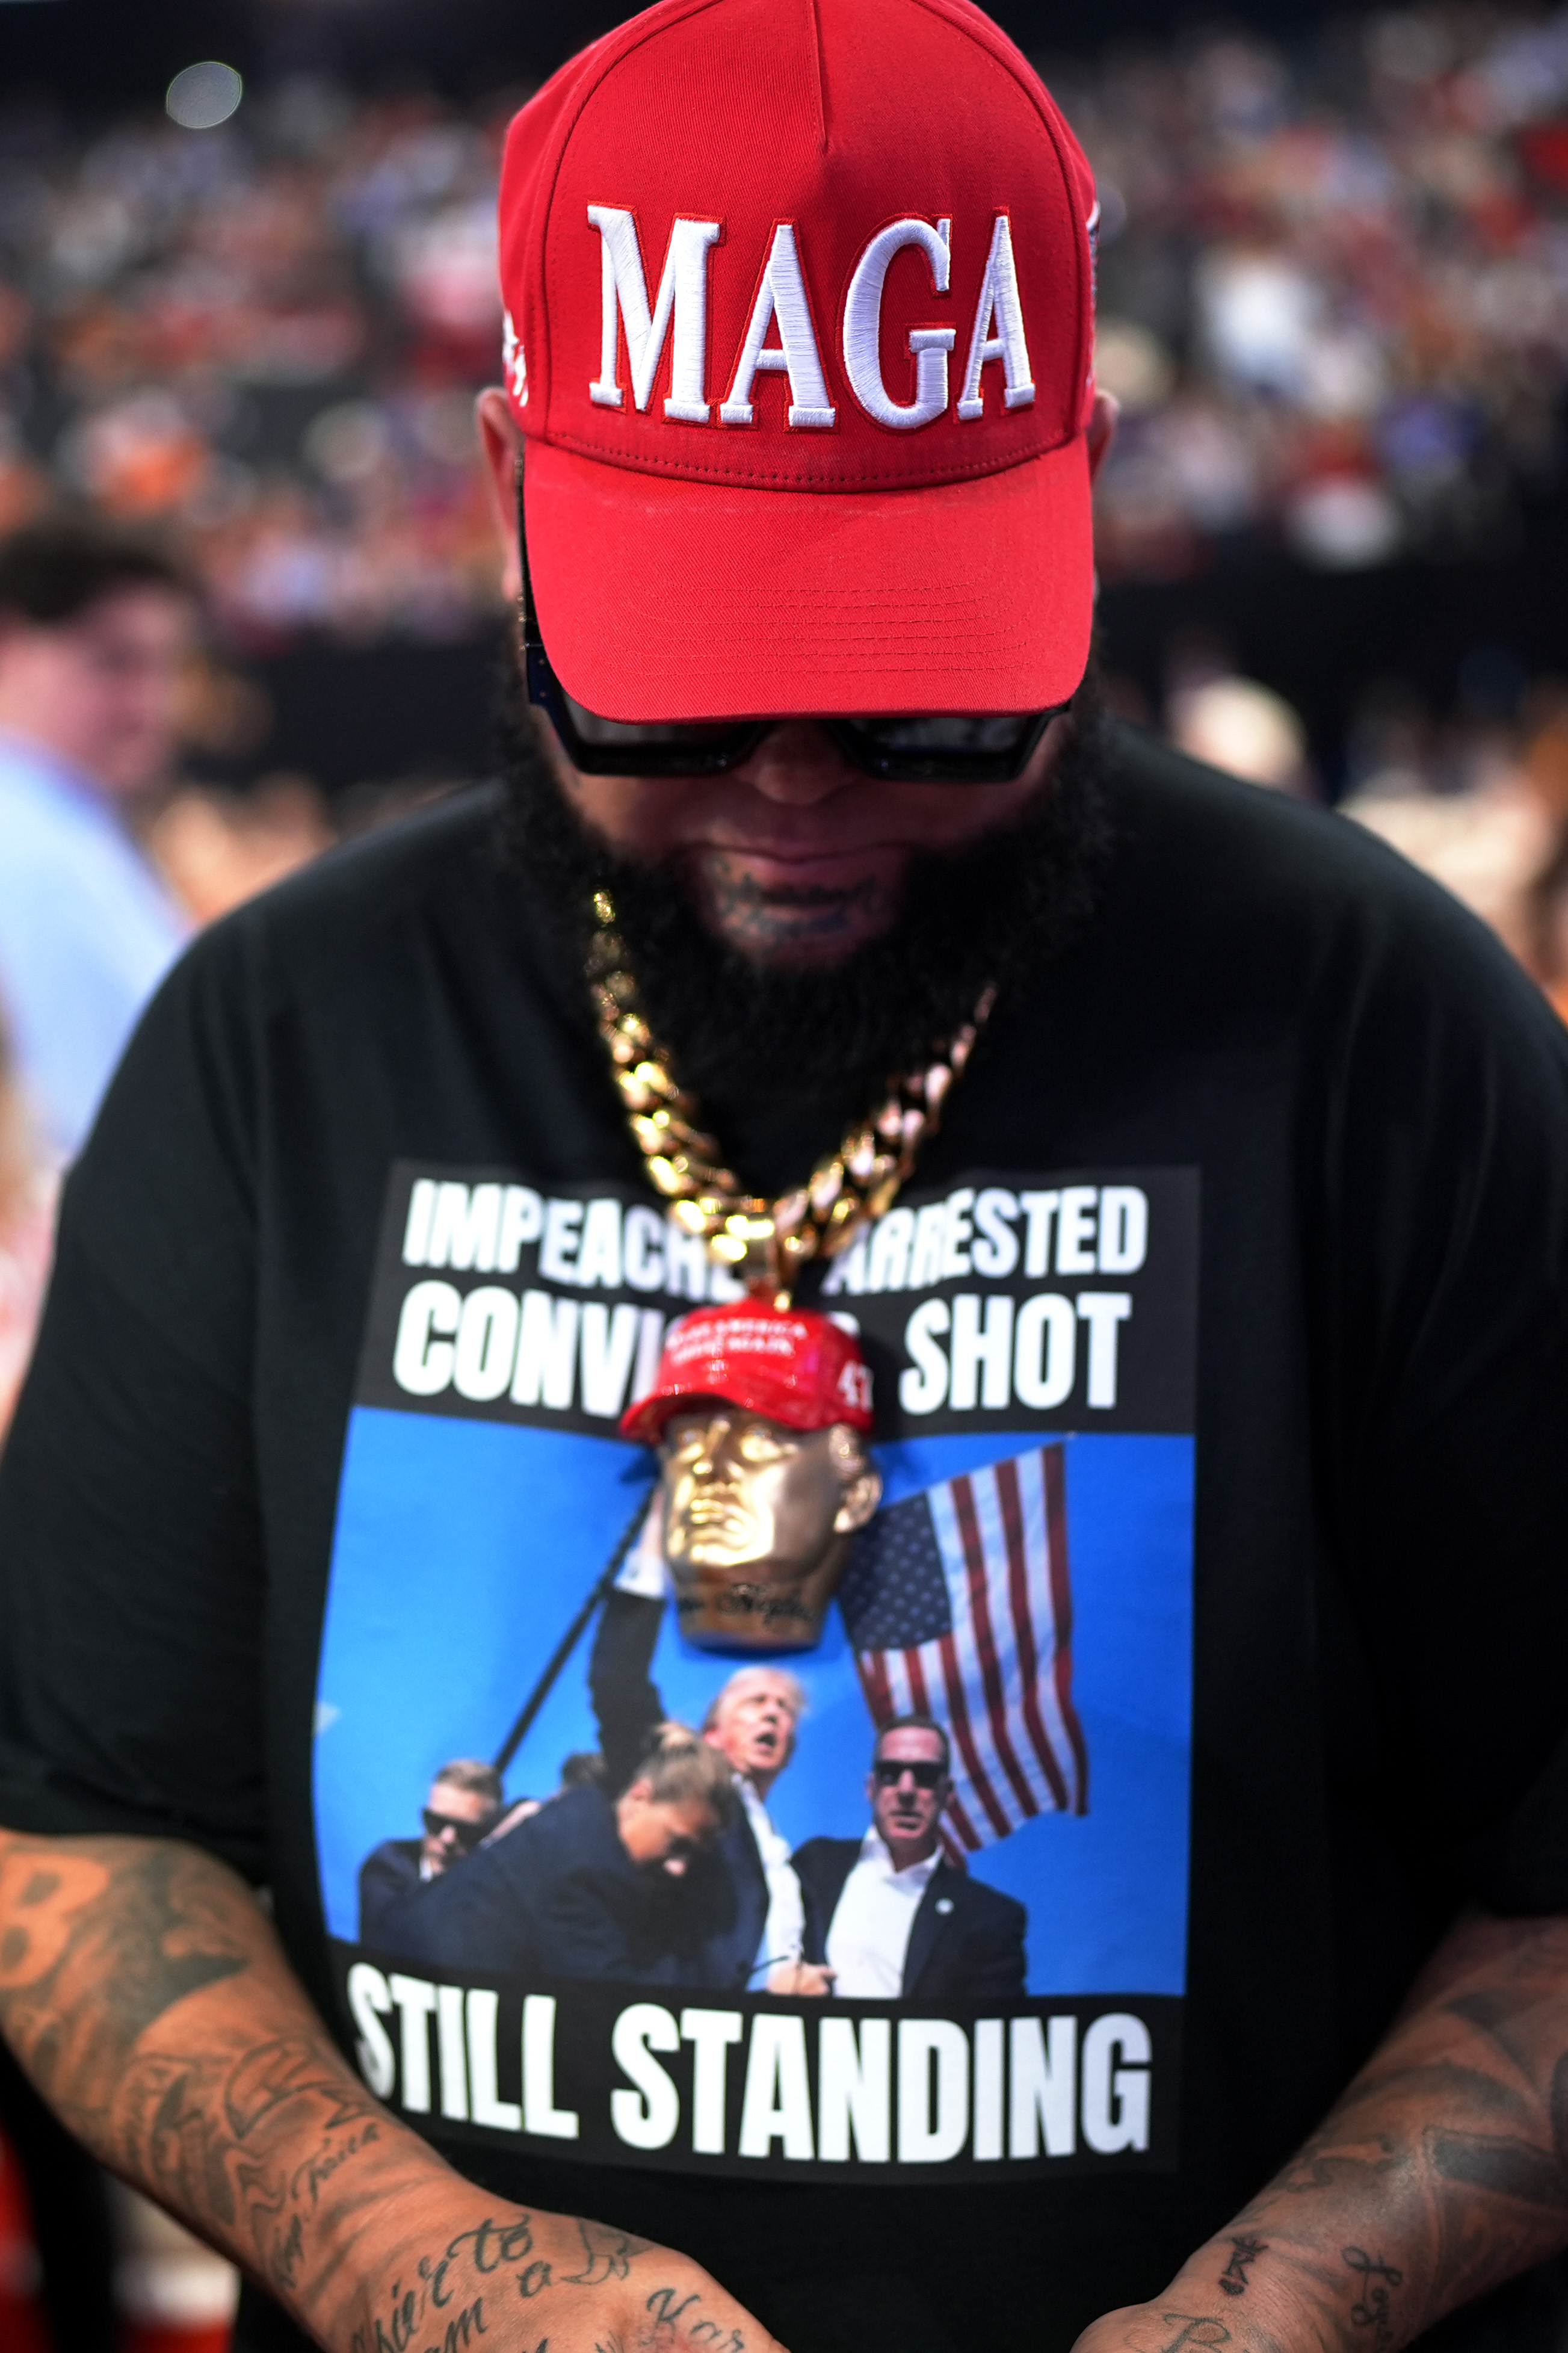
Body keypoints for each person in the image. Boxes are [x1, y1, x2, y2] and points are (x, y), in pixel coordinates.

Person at [0, 5, 1566, 2353]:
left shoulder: (1375, 1013)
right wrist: (435, 2272)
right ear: (512, 487)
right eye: (687, 687)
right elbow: (86, 1832)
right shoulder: (285, 1029)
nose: (804, 783)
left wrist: (1284, 2302)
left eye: (933, 695)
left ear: (1089, 478)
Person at [0, 514, 191, 1160]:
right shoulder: (34, 855)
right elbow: (114, 1142)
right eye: (114, 663)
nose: (150, 705)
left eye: (165, 667)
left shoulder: (65, 827)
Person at [375, 1724, 734, 1983]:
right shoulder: (587, 1870)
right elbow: (614, 1997)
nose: (679, 1868)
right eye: (677, 1844)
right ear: (639, 1796)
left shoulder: (585, 1809)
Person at [791, 1718, 1026, 2003]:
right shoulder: (816, 1865)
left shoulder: (989, 1919)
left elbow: (994, 2032)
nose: (906, 1790)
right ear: (871, 1787)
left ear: (947, 1794)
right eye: (891, 1773)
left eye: (925, 1776)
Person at [356, 1757, 502, 1944]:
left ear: (488, 1831)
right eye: (436, 1823)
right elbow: (388, 1938)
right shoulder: (389, 1864)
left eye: (465, 1830)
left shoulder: (498, 1887)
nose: (447, 1839)